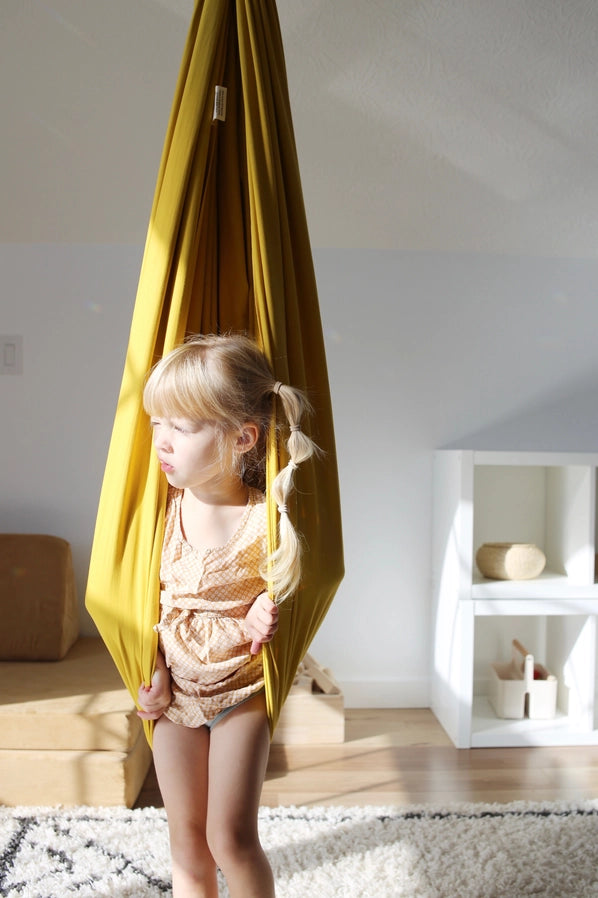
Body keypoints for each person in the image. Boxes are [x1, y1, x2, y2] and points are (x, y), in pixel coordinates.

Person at [136, 333, 317, 898]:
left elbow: (290, 581)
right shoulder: (157, 514)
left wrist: (268, 605)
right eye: (156, 424)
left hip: (240, 692)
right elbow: (150, 608)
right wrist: (153, 672)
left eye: (182, 428)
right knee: (186, 844)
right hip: (176, 701)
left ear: (242, 438)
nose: (162, 443)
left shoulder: (266, 519)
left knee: (230, 838)